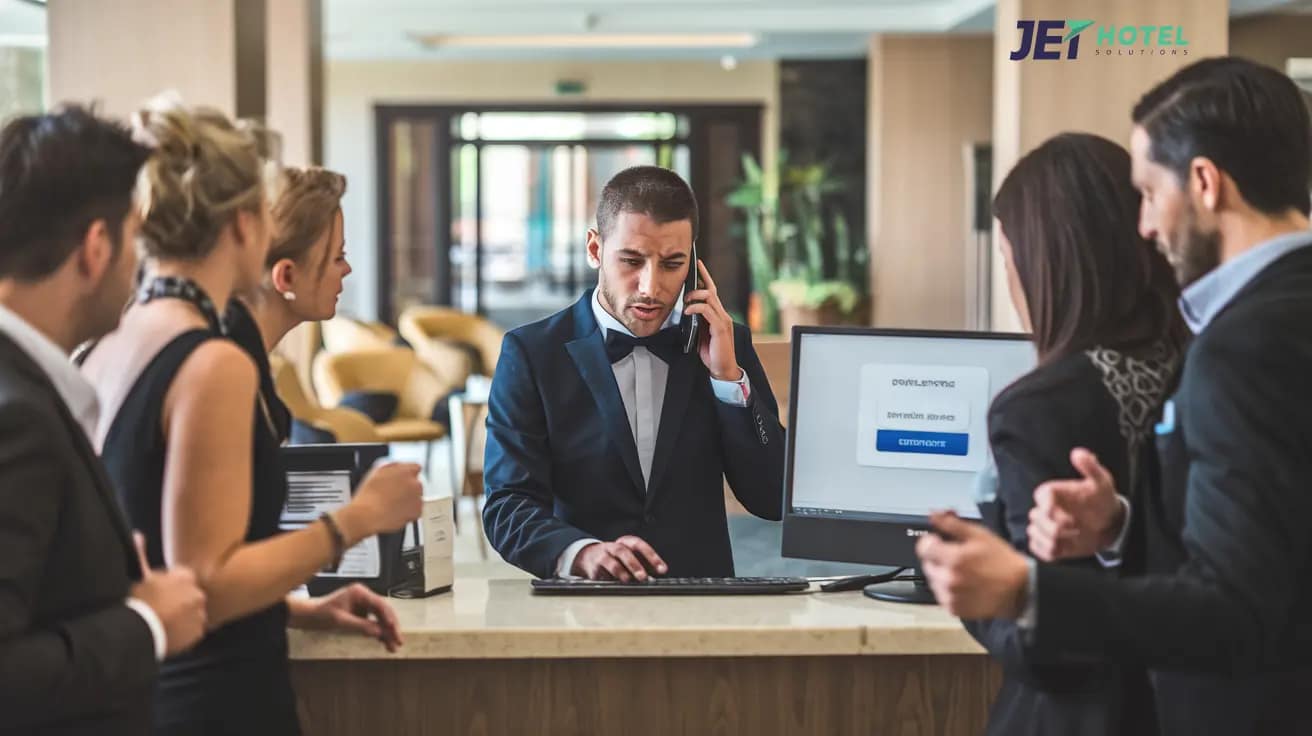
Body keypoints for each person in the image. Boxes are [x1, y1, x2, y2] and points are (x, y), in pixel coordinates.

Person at [916, 57, 1312, 735]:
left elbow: (1241, 609)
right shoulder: (1259, 323)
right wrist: (1122, 525)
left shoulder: (1241, 346)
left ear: (1205, 183)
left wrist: (1025, 589)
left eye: (1150, 195)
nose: (1146, 229)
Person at [79, 97, 422, 735]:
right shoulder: (214, 364)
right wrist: (358, 518)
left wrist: (295, 608)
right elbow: (206, 583)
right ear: (242, 224)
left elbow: (158, 553)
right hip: (211, 700)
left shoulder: (112, 340)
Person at [966, 132, 1186, 736]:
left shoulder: (1038, 410)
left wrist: (970, 577)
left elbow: (1052, 649)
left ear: (1041, 266)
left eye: (1009, 259)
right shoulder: (1205, 366)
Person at [0, 107, 208, 734]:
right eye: (135, 241)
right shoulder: (18, 419)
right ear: (96, 248)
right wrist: (145, 623)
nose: (138, 268)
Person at [483, 165, 785, 580]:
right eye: (631, 260)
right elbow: (507, 506)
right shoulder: (532, 354)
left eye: (672, 263)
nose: (650, 286)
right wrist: (582, 553)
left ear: (695, 264)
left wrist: (728, 379)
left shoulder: (726, 346)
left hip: (703, 601)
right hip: (581, 602)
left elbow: (772, 497)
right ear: (594, 249)